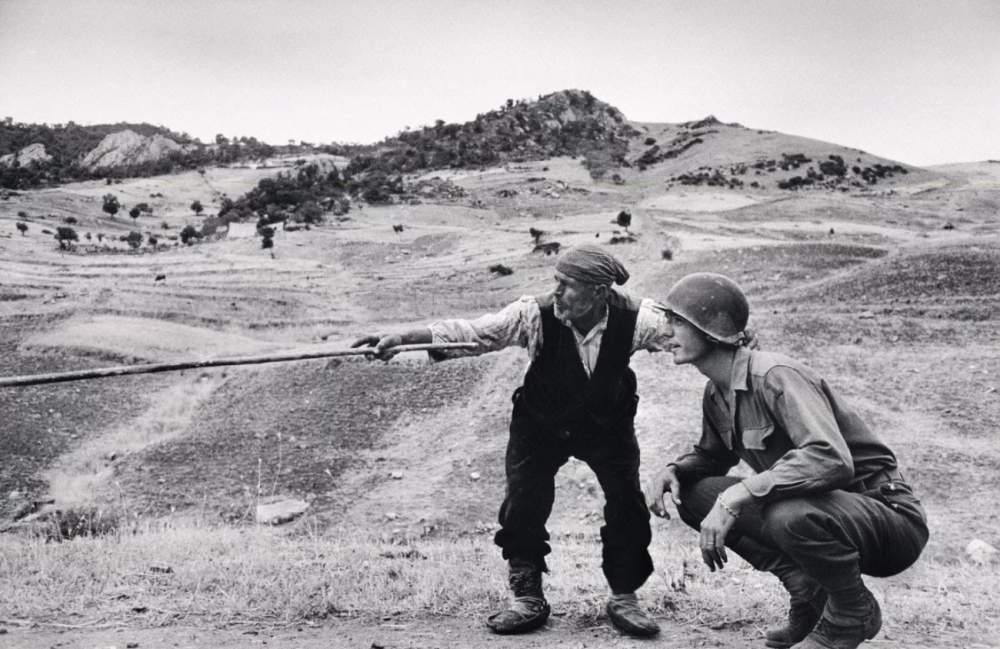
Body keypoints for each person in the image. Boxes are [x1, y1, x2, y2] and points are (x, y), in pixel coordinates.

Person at [352, 244, 674, 637]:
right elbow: (473, 334)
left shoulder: (638, 318)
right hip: (540, 422)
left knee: (627, 501)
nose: (556, 292)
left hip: (607, 424)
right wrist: (402, 338)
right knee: (524, 501)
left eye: (567, 285)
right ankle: (528, 597)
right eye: (556, 282)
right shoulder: (532, 314)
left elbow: (686, 332)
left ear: (599, 292)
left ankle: (624, 596)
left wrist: (735, 341)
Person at [644, 273, 928, 649]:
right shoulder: (717, 393)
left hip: (887, 519)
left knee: (786, 512)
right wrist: (674, 471)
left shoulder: (775, 375)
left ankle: (851, 613)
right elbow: (712, 457)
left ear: (711, 331)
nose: (666, 331)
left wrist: (739, 495)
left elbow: (830, 458)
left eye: (677, 321)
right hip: (822, 515)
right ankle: (811, 595)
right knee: (696, 494)